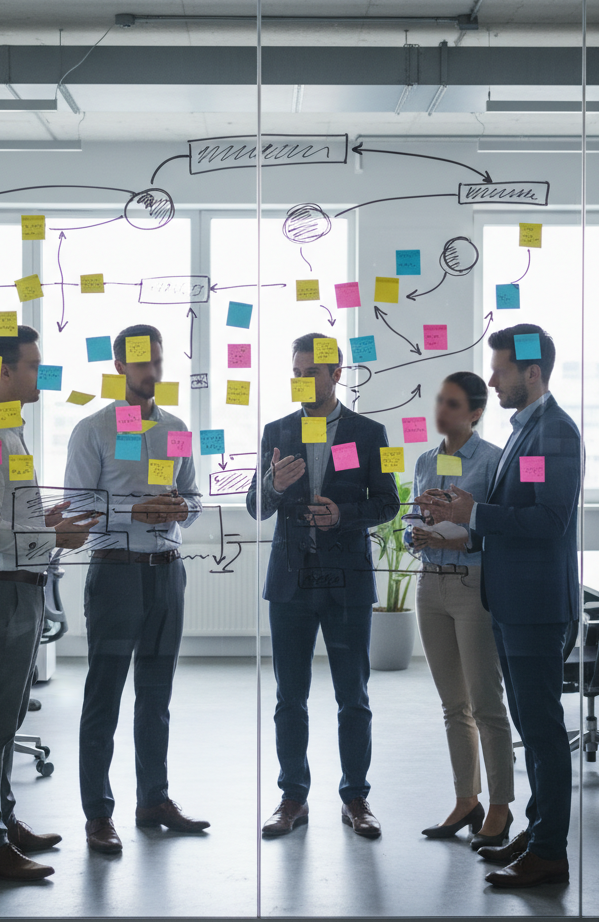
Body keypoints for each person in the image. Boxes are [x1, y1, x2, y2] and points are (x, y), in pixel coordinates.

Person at [423, 324, 581, 889]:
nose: (492, 380)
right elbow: (521, 509)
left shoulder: (554, 434)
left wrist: (476, 515)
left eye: (501, 370)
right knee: (531, 726)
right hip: (514, 602)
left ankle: (550, 854)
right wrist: (463, 511)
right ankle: (539, 834)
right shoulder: (525, 431)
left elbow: (549, 520)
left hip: (536, 606)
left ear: (532, 373)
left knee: (541, 729)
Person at [247, 333, 400, 839]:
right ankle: (293, 798)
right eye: (296, 370)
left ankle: (356, 798)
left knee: (352, 696)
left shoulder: (368, 432)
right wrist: (274, 485)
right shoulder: (277, 430)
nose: (302, 379)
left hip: (346, 582)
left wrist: (343, 515)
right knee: (290, 698)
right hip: (292, 583)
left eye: (311, 371)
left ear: (337, 375)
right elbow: (256, 506)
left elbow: (387, 504)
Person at [0, 324, 98, 882]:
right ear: (3, 372)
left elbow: (9, 521)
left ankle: (4, 823)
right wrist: (52, 538)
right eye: (33, 365)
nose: (42, 373)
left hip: (24, 589)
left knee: (10, 716)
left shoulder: (11, 430)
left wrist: (48, 523)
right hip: (1, 593)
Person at [64, 324, 207, 855]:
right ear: (120, 366)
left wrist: (179, 508)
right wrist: (134, 509)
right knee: (103, 696)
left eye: (158, 360)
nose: (153, 371)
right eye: (142, 362)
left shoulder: (175, 428)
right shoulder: (93, 429)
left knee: (156, 695)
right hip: (116, 571)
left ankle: (154, 800)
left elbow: (193, 497)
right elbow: (76, 505)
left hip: (167, 571)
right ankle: (99, 814)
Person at [409, 373, 515, 848]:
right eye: (439, 400)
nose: (442, 410)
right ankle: (465, 799)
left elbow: (495, 529)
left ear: (474, 412)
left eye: (452, 403)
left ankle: (500, 807)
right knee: (454, 705)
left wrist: (459, 529)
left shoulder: (493, 461)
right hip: (431, 584)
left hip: (473, 585)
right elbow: (418, 522)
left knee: (486, 704)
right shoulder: (426, 460)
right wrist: (419, 533)